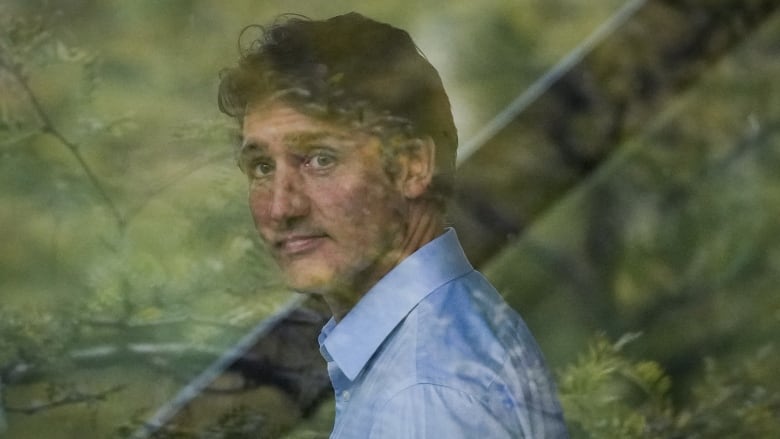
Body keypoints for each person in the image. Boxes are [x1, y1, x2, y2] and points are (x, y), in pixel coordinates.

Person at [217, 12, 568, 438]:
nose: (280, 207)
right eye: (261, 166)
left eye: (320, 159)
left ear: (412, 166)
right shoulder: (441, 335)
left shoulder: (420, 394)